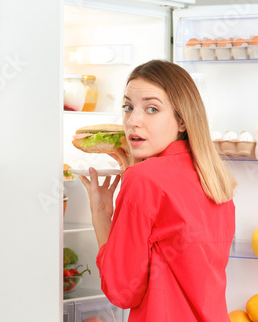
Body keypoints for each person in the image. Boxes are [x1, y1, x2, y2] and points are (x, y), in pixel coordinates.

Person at [79, 60, 236, 322]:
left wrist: (102, 216)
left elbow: (123, 292)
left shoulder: (143, 180)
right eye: (128, 107)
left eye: (152, 109)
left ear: (182, 120)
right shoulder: (215, 179)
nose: (133, 121)